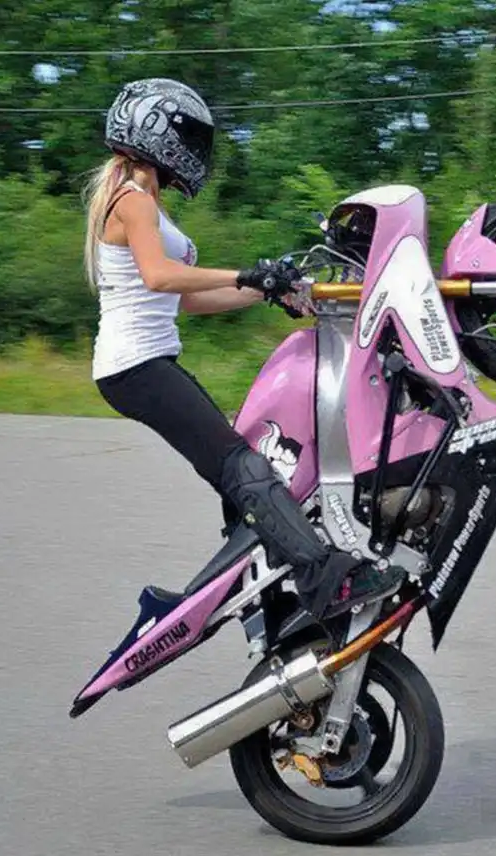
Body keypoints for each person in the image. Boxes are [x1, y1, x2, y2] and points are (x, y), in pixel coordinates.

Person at [84, 77, 403, 619]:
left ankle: (270, 588)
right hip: (133, 368)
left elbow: (187, 300)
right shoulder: (133, 201)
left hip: (145, 364)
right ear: (157, 133)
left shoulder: (144, 201)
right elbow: (160, 276)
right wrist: (245, 273)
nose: (196, 151)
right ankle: (325, 580)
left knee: (236, 465)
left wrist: (263, 290)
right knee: (239, 463)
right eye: (190, 137)